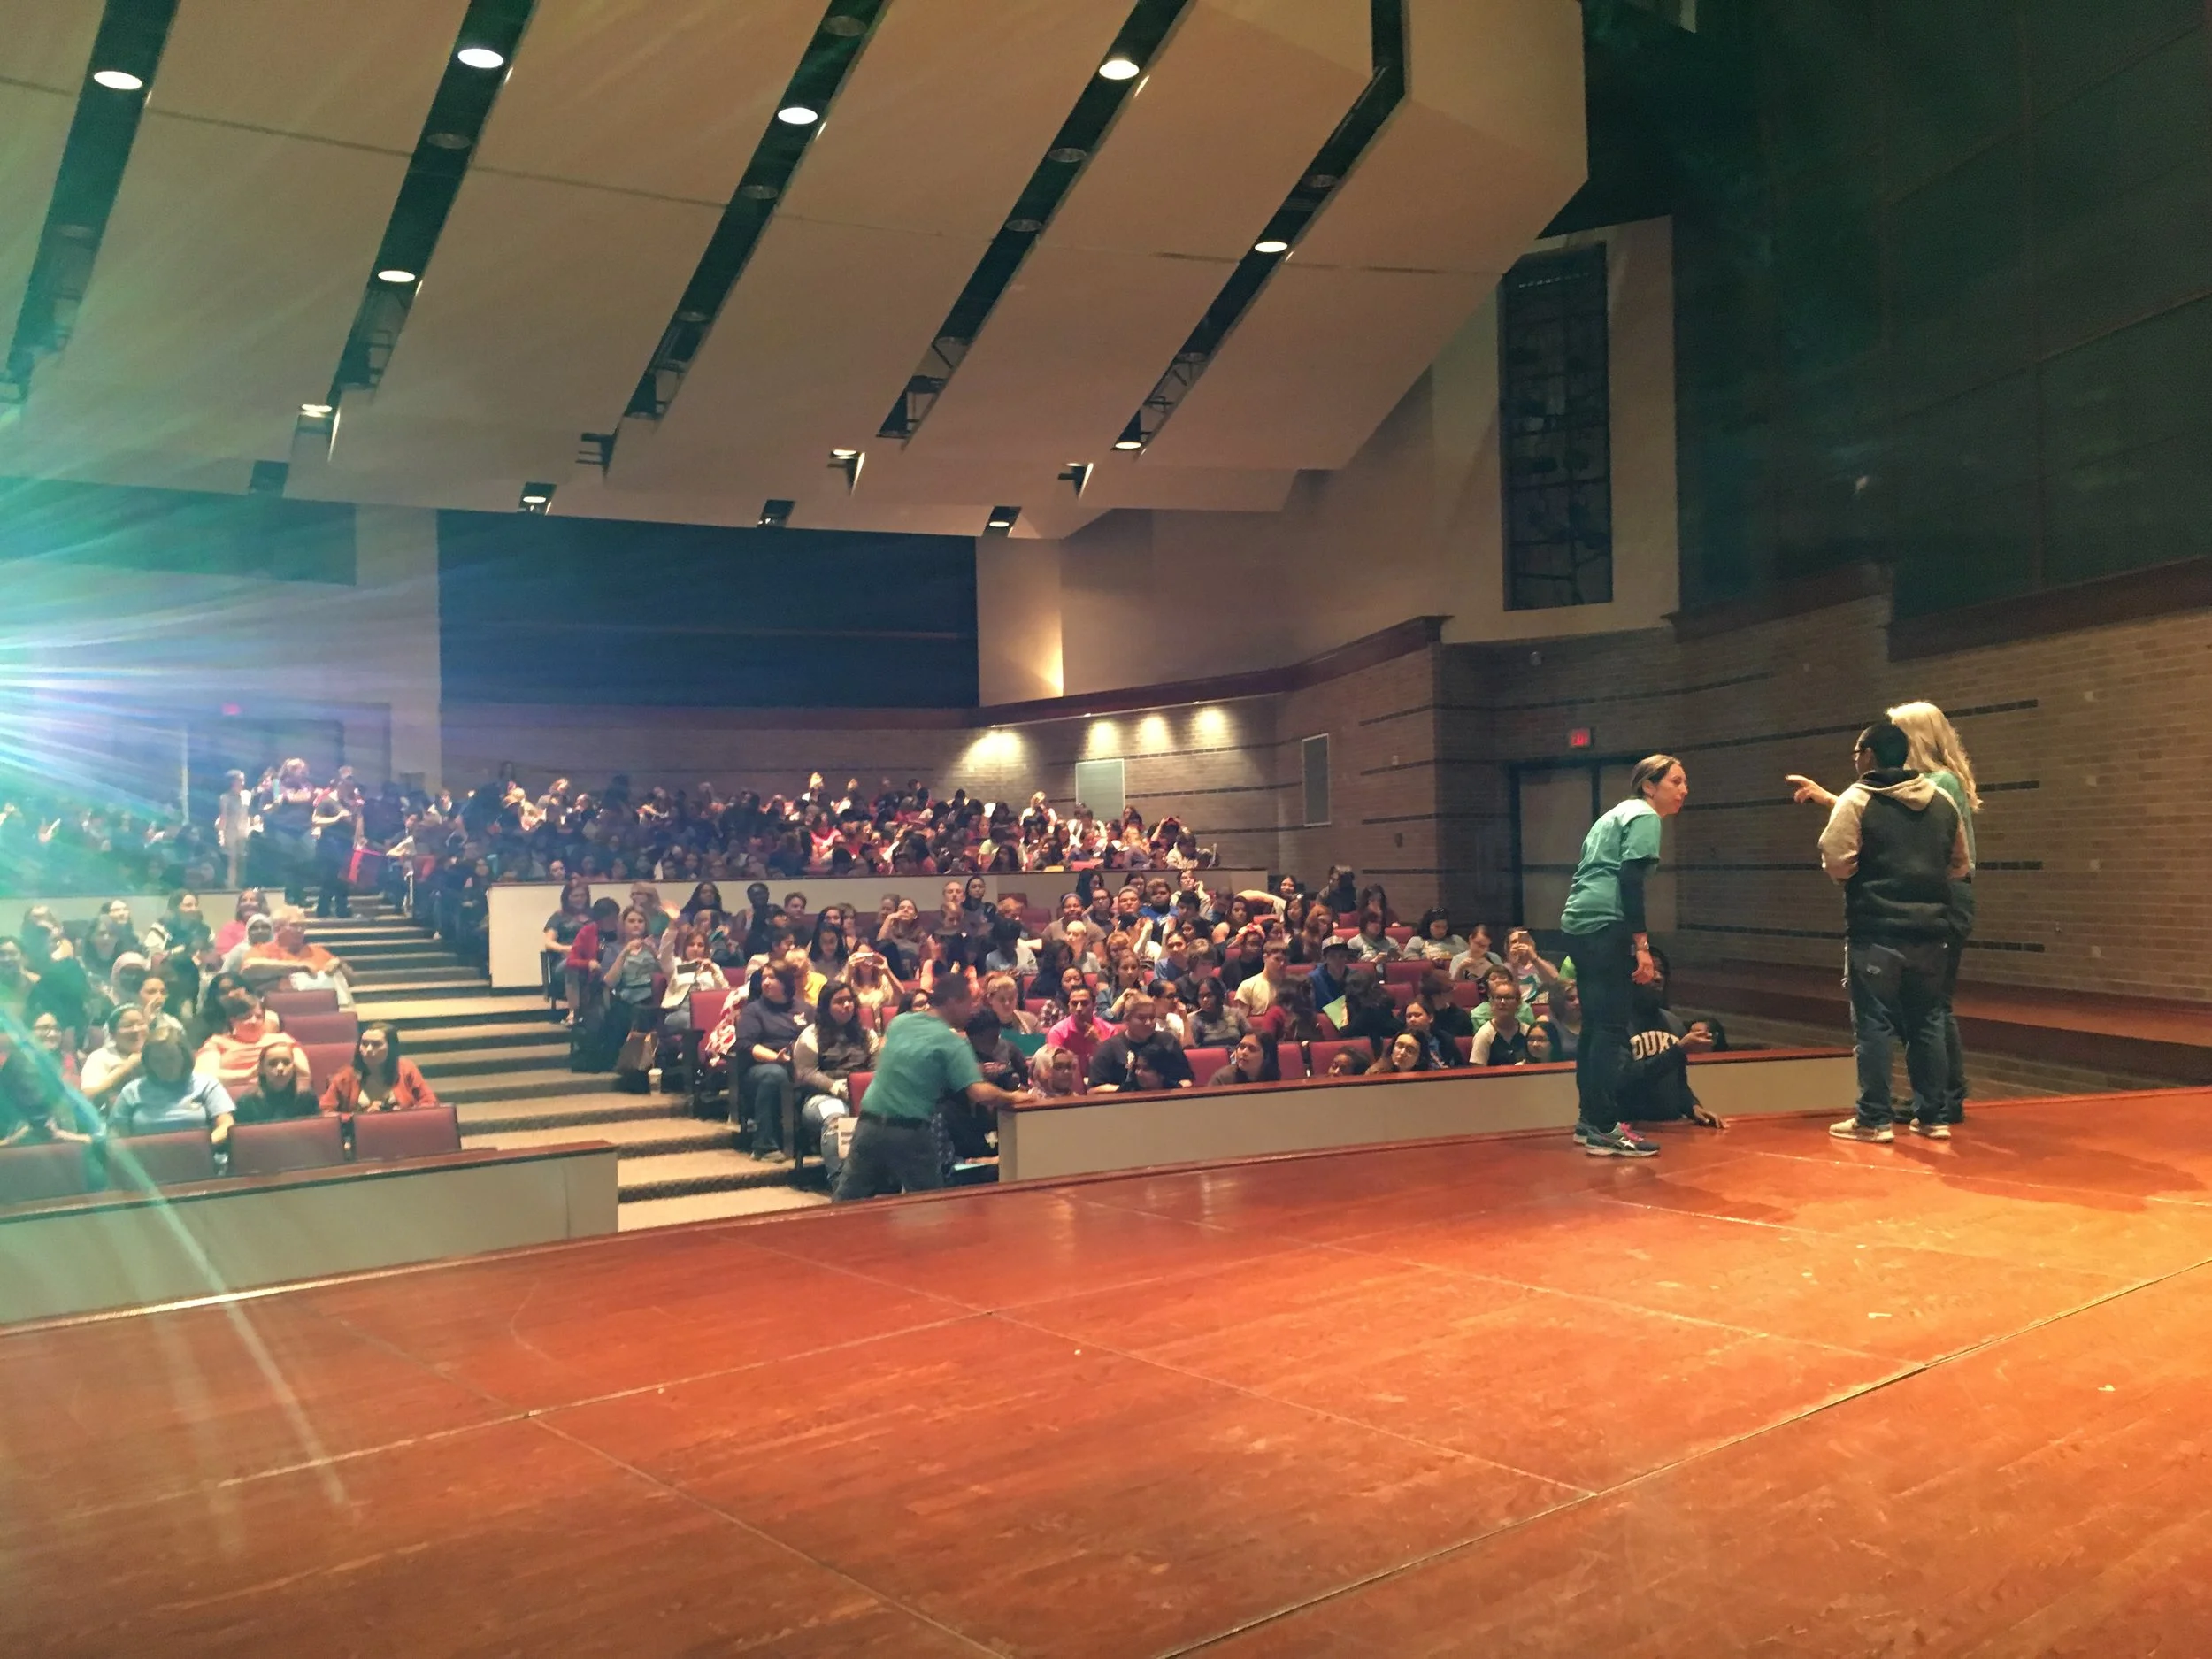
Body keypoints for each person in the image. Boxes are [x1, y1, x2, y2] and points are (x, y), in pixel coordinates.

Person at [1792, 699, 1979, 1128]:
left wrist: (1860, 877)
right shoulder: (1939, 794)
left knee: (1876, 1023)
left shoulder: (1868, 795)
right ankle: (1934, 1116)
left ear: (1870, 754)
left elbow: (1839, 853)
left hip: (1878, 923)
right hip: (1932, 922)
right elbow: (1958, 860)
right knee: (1928, 1016)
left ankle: (1874, 1118)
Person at [1559, 753, 1688, 1157]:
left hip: (1578, 922)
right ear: (1650, 785)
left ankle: (1590, 1120)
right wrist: (1642, 946)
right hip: (1605, 924)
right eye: (1676, 782)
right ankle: (1603, 1126)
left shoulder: (1615, 814)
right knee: (1610, 1028)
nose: (1684, 790)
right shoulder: (1645, 816)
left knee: (1596, 1027)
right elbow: (1631, 882)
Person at [834, 975, 1030, 1202]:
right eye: (970, 1001)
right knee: (930, 1206)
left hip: (868, 1123)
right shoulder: (952, 1043)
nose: (973, 1009)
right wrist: (1013, 1097)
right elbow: (978, 1092)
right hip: (909, 1130)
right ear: (953, 1001)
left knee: (846, 1200)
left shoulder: (900, 1022)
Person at [793, 979, 878, 1187]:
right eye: (839, 1001)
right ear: (826, 1007)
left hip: (863, 1094)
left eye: (850, 1000)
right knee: (837, 1119)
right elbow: (805, 1073)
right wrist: (836, 1088)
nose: (847, 1005)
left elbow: (877, 1070)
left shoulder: (868, 1035)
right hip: (822, 1097)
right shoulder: (811, 1035)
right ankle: (841, 1185)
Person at [733, 957, 807, 1161]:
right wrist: (777, 1058)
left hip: (800, 1063)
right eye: (764, 978)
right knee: (775, 1075)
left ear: (785, 982)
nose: (765, 982)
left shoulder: (804, 1009)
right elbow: (748, 1046)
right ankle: (763, 1145)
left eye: (772, 978)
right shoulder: (754, 1011)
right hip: (760, 1066)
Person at [111, 1028, 235, 1147]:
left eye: (171, 1058)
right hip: (147, 1162)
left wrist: (202, 1145)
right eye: (157, 1061)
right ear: (148, 1062)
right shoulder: (132, 1091)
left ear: (184, 1058)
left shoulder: (206, 1085)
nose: (165, 1066)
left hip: (200, 1157)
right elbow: (117, 1137)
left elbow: (226, 1124)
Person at [1086, 994, 1193, 1092]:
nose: (1148, 1023)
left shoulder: (1168, 1041)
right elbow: (1094, 1090)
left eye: (1152, 1017)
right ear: (1126, 1020)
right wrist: (1128, 1090)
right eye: (1141, 1018)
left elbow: (1185, 1080)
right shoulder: (1110, 1048)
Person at [320, 1023, 439, 1111]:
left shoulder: (406, 1069)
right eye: (364, 1044)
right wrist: (358, 1118)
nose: (369, 1050)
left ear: (391, 1048)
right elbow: (325, 1111)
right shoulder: (346, 1077)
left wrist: (405, 1114)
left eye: (376, 1044)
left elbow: (430, 1102)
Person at [234, 1041, 322, 1122]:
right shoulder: (247, 1102)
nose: (280, 1068)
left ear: (294, 1067)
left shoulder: (306, 1097)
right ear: (261, 1069)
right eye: (273, 1063)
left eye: (286, 1062)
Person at [1045, 984, 1112, 1078]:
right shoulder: (1058, 1032)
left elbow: (1114, 1066)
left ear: (1094, 1005)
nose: (1079, 1008)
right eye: (1074, 1003)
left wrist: (1098, 1042)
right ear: (1068, 1005)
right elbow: (1054, 1070)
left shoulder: (1109, 1030)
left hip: (1103, 1081)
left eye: (1084, 1003)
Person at [1471, 975, 1531, 1066]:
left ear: (1518, 1003)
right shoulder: (1484, 1035)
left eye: (1508, 998)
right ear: (1491, 1003)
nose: (1502, 1002)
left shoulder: (1527, 1032)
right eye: (1498, 998)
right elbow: (1477, 1072)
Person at [1402, 997, 1460, 1070]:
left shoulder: (1444, 1039)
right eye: (1409, 1016)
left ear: (1430, 1018)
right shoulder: (1399, 1040)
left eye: (1417, 1015)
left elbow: (1459, 1065)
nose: (1412, 1019)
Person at [1208, 1030, 1281, 1087]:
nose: (1244, 1052)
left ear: (1266, 1056)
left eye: (1252, 1049)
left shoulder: (1274, 1077)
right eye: (1242, 1047)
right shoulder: (1222, 1079)